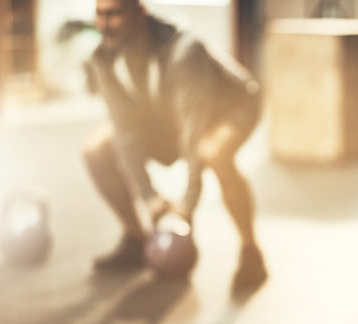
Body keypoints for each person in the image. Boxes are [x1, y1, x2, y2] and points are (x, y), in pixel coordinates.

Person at [84, 0, 266, 290]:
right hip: (165, 112)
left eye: (115, 13)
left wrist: (186, 210)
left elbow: (192, 133)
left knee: (214, 153)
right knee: (96, 149)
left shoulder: (184, 51)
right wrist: (150, 199)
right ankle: (137, 240)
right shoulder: (102, 57)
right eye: (100, 14)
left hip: (231, 107)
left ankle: (251, 252)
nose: (105, 24)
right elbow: (125, 131)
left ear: (139, 12)